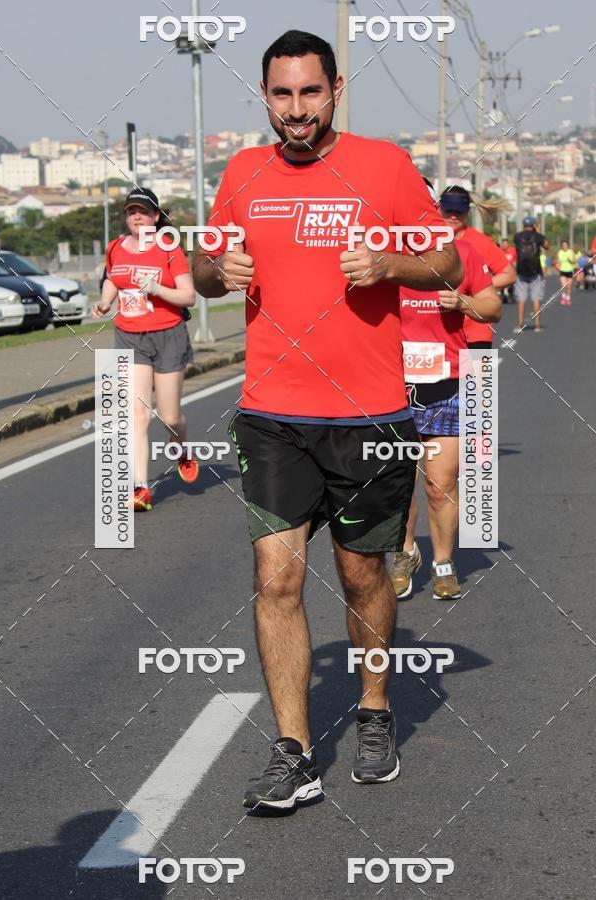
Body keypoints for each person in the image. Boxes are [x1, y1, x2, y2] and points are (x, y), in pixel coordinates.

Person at [194, 30, 463, 808]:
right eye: (281, 95)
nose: (296, 110)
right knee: (275, 575)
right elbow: (206, 271)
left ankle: (375, 709)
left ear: (335, 91)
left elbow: (444, 262)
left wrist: (391, 266)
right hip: (273, 414)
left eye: (310, 93)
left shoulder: (381, 165)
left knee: (360, 571)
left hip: (370, 415)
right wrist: (218, 268)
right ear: (266, 97)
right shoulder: (244, 173)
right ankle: (294, 751)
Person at [393, 197, 501, 600]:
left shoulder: (463, 253)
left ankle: (443, 562)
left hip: (448, 384)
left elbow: (493, 307)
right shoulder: (384, 255)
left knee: (440, 484)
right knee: (399, 483)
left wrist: (464, 303)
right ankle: (405, 553)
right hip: (392, 387)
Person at [92, 188, 197, 511]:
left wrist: (155, 288)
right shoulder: (115, 248)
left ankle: (181, 447)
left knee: (169, 417)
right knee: (136, 414)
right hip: (130, 336)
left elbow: (188, 297)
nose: (136, 217)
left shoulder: (169, 250)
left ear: (155, 217)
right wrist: (106, 300)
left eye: (143, 211)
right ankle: (140, 486)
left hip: (168, 335)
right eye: (130, 212)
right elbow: (113, 278)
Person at [438, 186, 515, 349]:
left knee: (483, 375)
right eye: (448, 210)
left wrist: (478, 288)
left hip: (477, 330)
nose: (453, 216)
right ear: (438, 208)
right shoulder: (426, 239)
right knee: (450, 375)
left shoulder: (481, 242)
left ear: (467, 212)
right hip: (443, 334)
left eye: (459, 211)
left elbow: (509, 274)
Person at [512, 216, 548, 332]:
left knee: (521, 300)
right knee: (536, 299)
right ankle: (537, 326)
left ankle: (519, 325)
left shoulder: (517, 236)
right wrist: (537, 231)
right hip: (535, 272)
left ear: (523, 225)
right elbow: (547, 246)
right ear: (533, 225)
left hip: (521, 272)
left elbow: (515, 243)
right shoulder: (538, 236)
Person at [556, 240, 577, 306]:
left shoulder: (571, 252)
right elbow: (557, 261)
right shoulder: (559, 252)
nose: (564, 246)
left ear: (568, 245)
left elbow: (574, 261)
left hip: (570, 271)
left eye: (566, 245)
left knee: (569, 285)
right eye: (563, 245)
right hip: (562, 271)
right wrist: (557, 268)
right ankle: (563, 297)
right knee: (564, 285)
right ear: (562, 246)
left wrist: (570, 260)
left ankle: (568, 297)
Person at [499, 238, 517, 303]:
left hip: (511, 270)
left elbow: (515, 260)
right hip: (501, 270)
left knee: (511, 284)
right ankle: (503, 296)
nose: (504, 245)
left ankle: (511, 295)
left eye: (506, 243)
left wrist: (515, 269)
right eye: (503, 244)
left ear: (508, 244)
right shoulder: (499, 250)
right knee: (502, 284)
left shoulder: (512, 250)